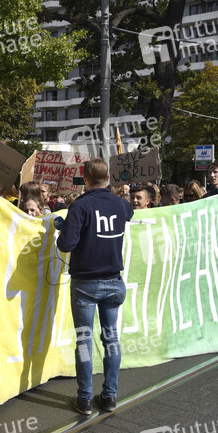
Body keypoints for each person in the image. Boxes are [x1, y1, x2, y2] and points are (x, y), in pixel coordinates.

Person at [55, 157, 133, 416]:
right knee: (111, 338)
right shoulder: (121, 204)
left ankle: (85, 399)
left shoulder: (80, 205)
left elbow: (67, 245)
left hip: (86, 284)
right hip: (114, 282)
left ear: (85, 178)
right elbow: (129, 212)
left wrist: (62, 231)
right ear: (108, 178)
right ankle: (109, 396)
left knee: (85, 341)